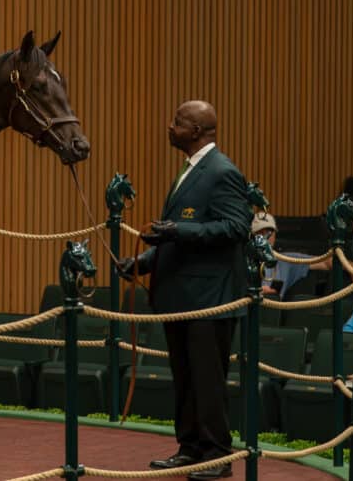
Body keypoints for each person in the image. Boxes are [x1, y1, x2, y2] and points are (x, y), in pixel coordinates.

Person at [119, 100, 251, 480]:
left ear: (195, 131)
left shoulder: (221, 171)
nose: (169, 126)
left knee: (207, 382)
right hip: (183, 298)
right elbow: (176, 237)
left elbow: (237, 228)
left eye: (177, 122)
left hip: (210, 301)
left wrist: (180, 231)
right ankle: (190, 448)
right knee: (186, 378)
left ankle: (217, 456)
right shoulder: (193, 169)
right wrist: (141, 264)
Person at [252, 213, 329, 299]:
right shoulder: (240, 260)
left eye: (269, 232)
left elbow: (326, 263)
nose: (266, 237)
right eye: (260, 233)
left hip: (274, 310)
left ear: (274, 235)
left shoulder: (285, 261)